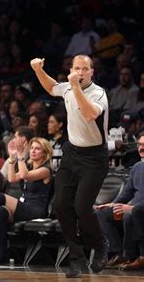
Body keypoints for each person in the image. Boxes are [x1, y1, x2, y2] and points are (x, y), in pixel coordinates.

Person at [30, 55, 109, 278]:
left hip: (95, 158)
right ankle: (77, 259)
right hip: (72, 153)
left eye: (85, 69)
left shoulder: (98, 93)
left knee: (82, 207)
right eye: (77, 68)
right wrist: (38, 70)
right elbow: (51, 87)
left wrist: (75, 87)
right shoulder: (67, 87)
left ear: (92, 72)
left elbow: (90, 113)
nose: (81, 72)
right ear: (71, 69)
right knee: (61, 205)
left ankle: (100, 243)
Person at [95, 133, 144, 270]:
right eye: (140, 144)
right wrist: (114, 204)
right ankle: (116, 253)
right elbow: (127, 192)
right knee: (102, 213)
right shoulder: (137, 167)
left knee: (131, 214)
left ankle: (131, 256)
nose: (141, 148)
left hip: (139, 209)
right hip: (136, 208)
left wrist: (131, 208)